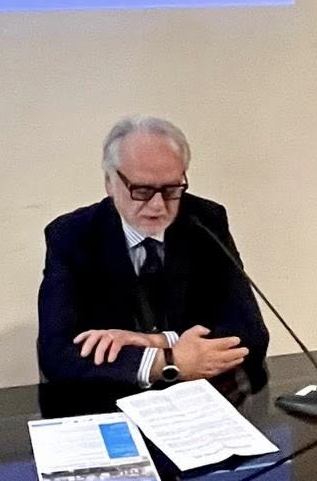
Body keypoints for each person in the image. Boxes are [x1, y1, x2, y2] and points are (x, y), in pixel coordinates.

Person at [36, 116, 269, 390]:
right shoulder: (72, 235)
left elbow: (251, 334)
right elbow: (57, 354)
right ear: (110, 182)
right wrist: (165, 362)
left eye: (171, 190)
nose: (158, 205)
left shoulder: (204, 220)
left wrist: (159, 341)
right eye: (143, 190)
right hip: (108, 398)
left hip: (198, 398)